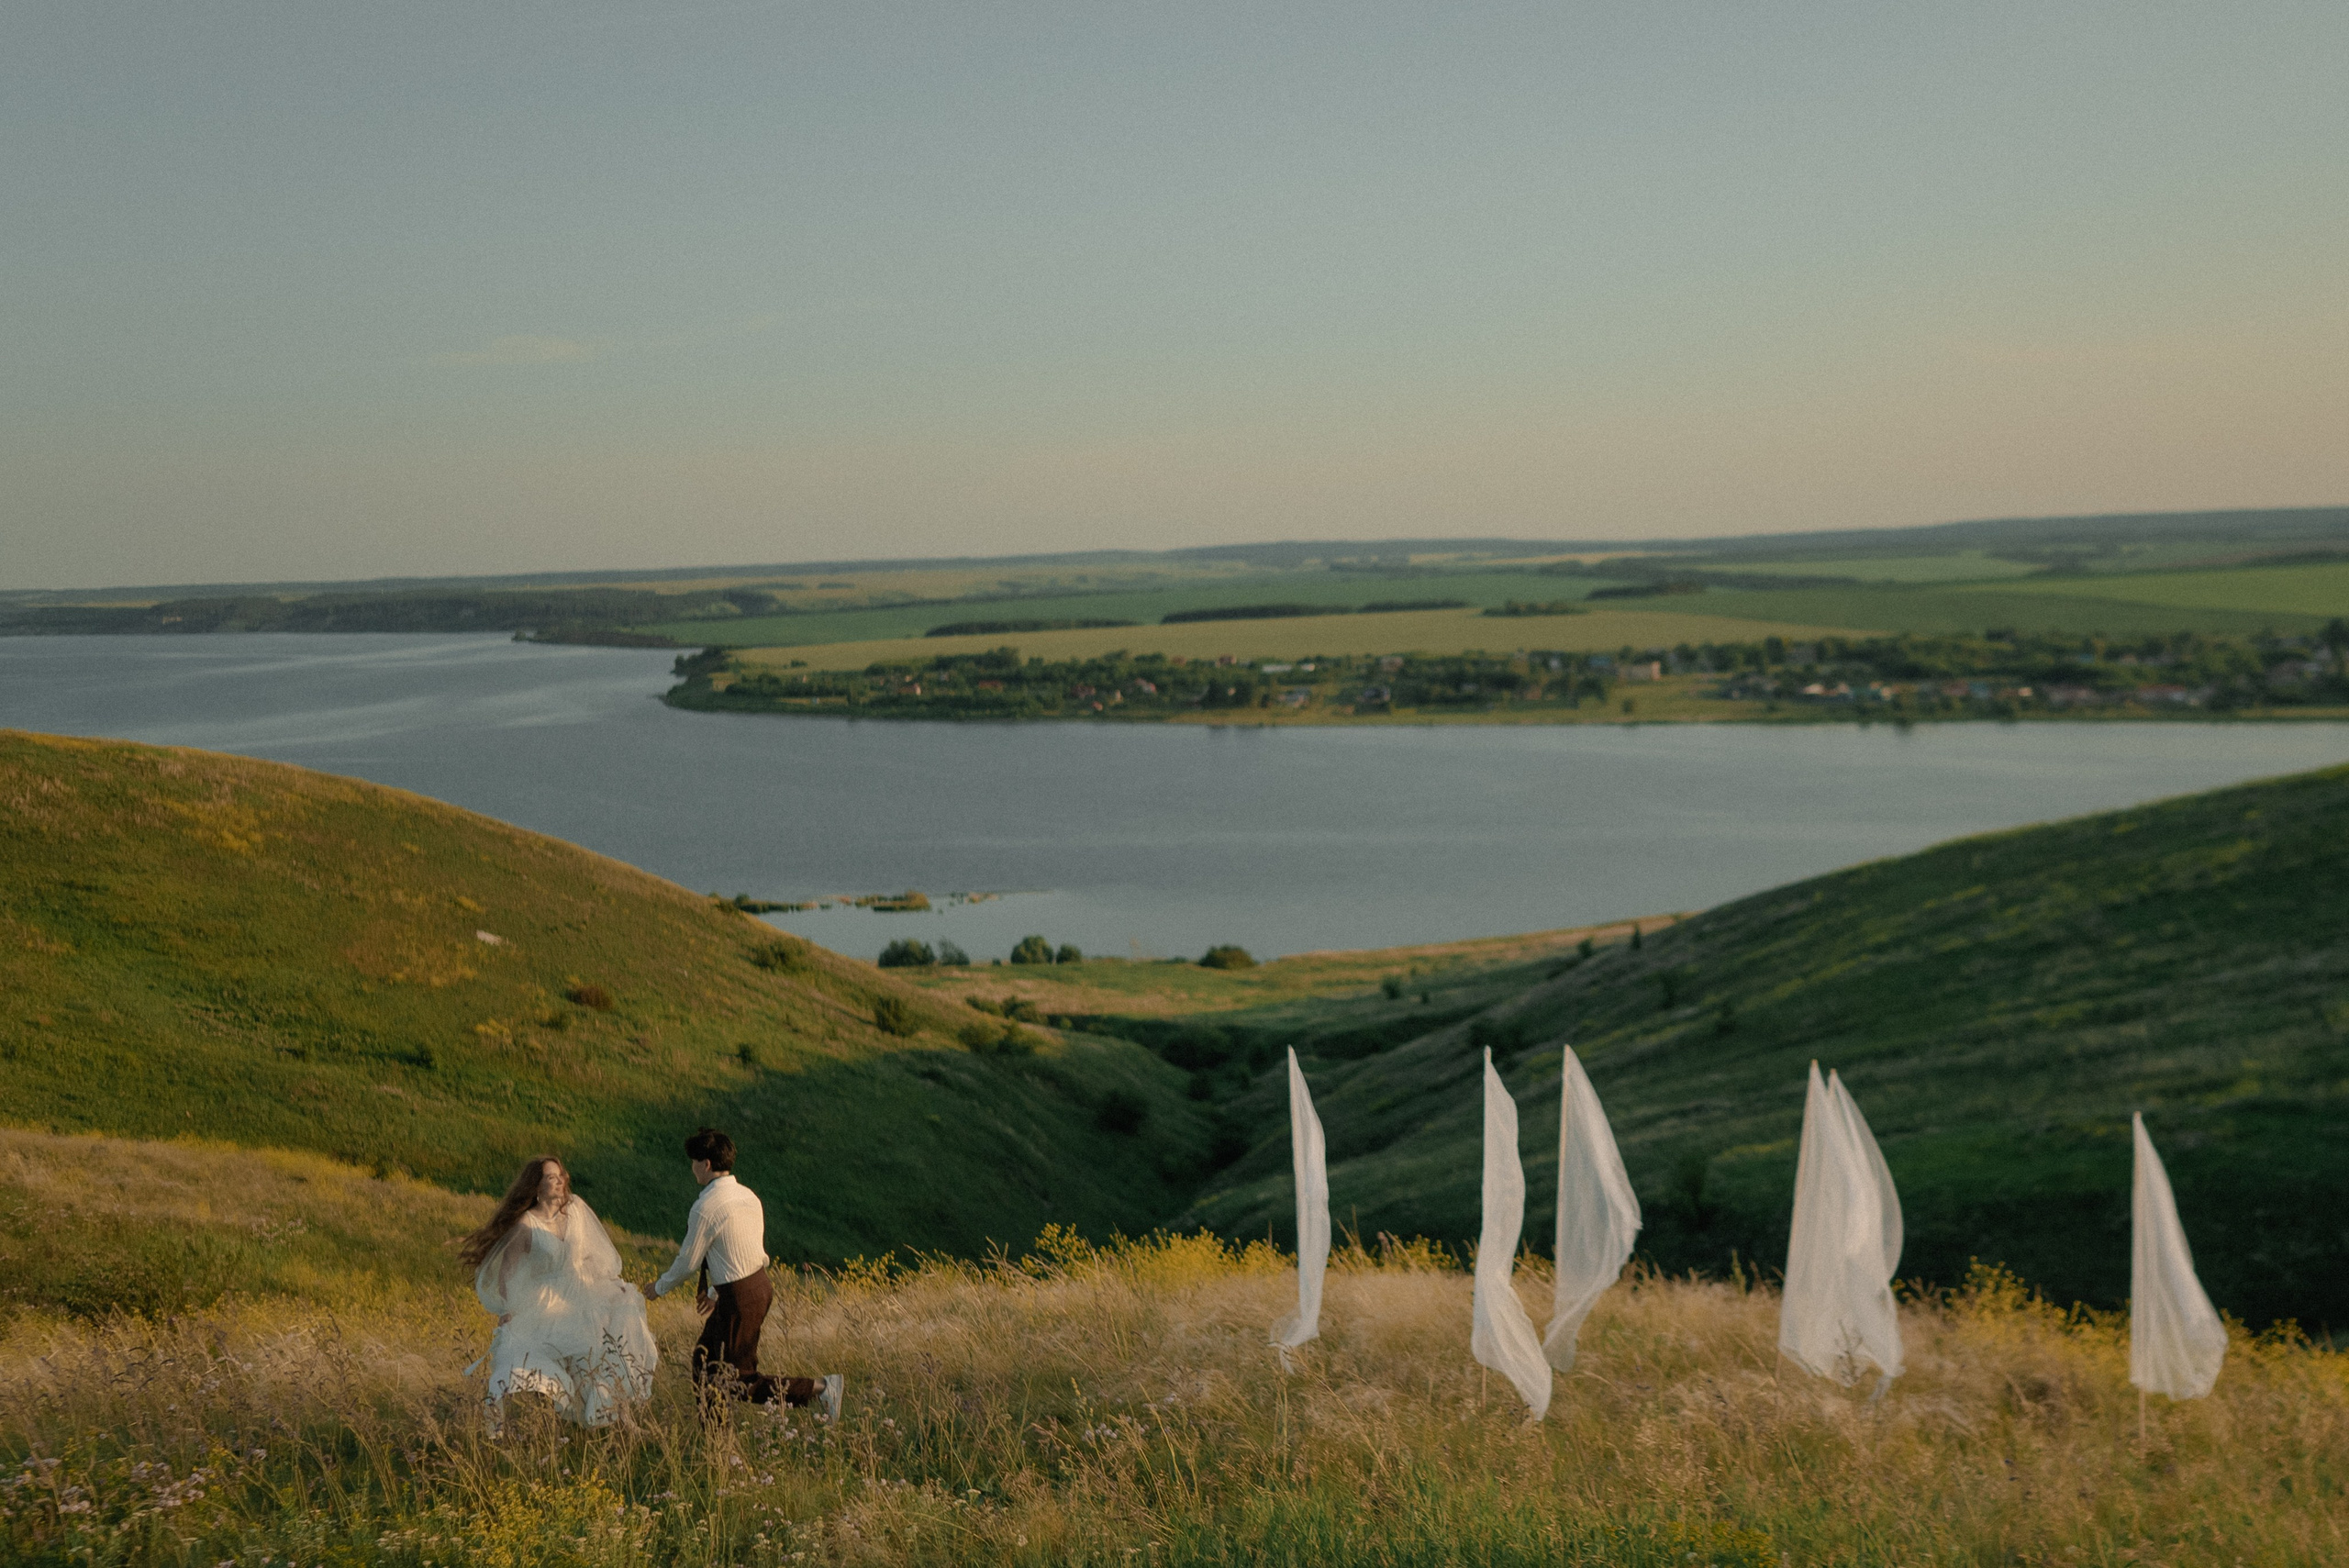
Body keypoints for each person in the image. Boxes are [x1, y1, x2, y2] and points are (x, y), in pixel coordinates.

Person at [646, 1127, 842, 1418]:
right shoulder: (748, 1196)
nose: (692, 1168)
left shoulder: (705, 1207)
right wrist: (715, 1292)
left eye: (694, 1161)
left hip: (740, 1298)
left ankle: (822, 1388)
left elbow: (688, 1262)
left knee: (739, 1381)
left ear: (706, 1164)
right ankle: (716, 1438)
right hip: (754, 1287)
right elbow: (739, 1252)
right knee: (705, 1365)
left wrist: (658, 1288)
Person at [460, 1155, 656, 1429]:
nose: (559, 1181)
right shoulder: (527, 1225)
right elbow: (506, 1271)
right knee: (552, 1364)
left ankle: (618, 1420)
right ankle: (561, 1424)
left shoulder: (576, 1208)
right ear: (536, 1186)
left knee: (604, 1353)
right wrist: (507, 1309)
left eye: (560, 1175)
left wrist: (611, 1284)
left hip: (583, 1295)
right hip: (547, 1305)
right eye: (550, 1177)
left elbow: (594, 1253)